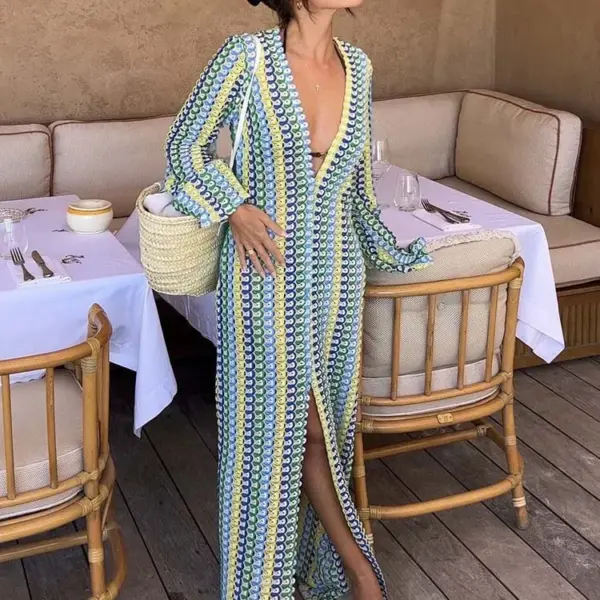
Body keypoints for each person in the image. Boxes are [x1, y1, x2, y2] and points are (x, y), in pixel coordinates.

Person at [164, 1, 431, 598]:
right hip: (264, 275)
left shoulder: (359, 67)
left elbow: (358, 188)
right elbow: (184, 147)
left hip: (338, 275)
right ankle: (334, 574)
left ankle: (327, 569)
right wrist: (234, 206)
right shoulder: (247, 58)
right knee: (270, 433)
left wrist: (389, 250)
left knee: (324, 426)